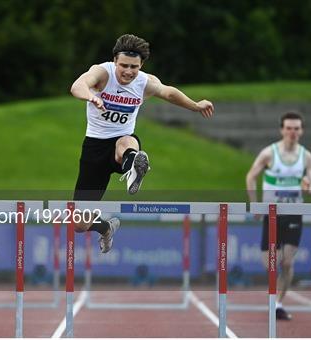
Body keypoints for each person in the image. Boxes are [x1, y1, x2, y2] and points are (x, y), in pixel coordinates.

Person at [70, 34, 214, 253]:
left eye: (134, 67)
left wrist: (195, 105)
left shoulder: (144, 81)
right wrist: (91, 97)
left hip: (122, 142)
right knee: (78, 224)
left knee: (126, 142)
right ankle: (106, 227)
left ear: (142, 65)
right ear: (114, 60)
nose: (128, 72)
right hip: (94, 148)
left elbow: (169, 93)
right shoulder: (102, 72)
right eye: (124, 66)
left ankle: (133, 165)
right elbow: (78, 85)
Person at [245, 111, 311, 320]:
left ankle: (277, 304)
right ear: (282, 130)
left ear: (301, 131)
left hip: (294, 214)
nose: (292, 132)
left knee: (286, 262)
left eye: (296, 128)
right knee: (270, 263)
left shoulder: (306, 156)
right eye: (289, 128)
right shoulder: (269, 153)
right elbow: (251, 176)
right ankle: (274, 299)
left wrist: (307, 186)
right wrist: (255, 205)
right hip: (272, 214)